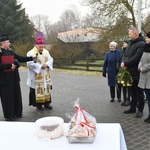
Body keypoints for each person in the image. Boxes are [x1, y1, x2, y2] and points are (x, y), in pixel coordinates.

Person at [0, 35, 33, 121]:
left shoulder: (10, 52)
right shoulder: (0, 53)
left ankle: (17, 112)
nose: (9, 43)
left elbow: (19, 58)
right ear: (2, 43)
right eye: (7, 42)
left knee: (16, 95)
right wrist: (9, 65)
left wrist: (31, 58)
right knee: (7, 97)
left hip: (14, 77)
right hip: (4, 79)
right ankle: (9, 115)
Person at [121, 27, 145, 118]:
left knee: (139, 91)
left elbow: (137, 57)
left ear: (135, 34)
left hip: (137, 72)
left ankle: (140, 109)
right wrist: (123, 63)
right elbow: (125, 54)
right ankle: (132, 107)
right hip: (129, 71)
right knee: (131, 91)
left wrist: (126, 63)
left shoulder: (141, 44)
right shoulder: (130, 43)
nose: (129, 35)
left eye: (130, 34)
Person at [26, 34, 53, 111]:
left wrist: (47, 64)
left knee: (46, 88)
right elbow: (29, 63)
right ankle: (39, 105)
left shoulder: (46, 52)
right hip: (36, 74)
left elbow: (51, 59)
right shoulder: (30, 53)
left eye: (42, 47)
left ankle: (47, 103)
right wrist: (40, 66)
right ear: (36, 45)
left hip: (45, 75)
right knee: (38, 89)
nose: (41, 48)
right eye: (40, 47)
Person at [138, 31, 150, 123]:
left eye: (148, 37)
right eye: (146, 37)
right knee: (148, 97)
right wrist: (140, 67)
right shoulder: (146, 48)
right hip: (144, 76)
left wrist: (143, 68)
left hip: (148, 76)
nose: (146, 39)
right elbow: (141, 60)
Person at [120, 39, 131, 106]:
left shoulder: (129, 51)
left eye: (125, 43)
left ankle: (128, 99)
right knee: (123, 86)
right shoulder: (122, 51)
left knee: (128, 86)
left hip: (128, 70)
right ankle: (124, 99)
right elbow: (121, 59)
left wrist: (126, 66)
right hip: (122, 70)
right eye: (123, 43)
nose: (124, 44)